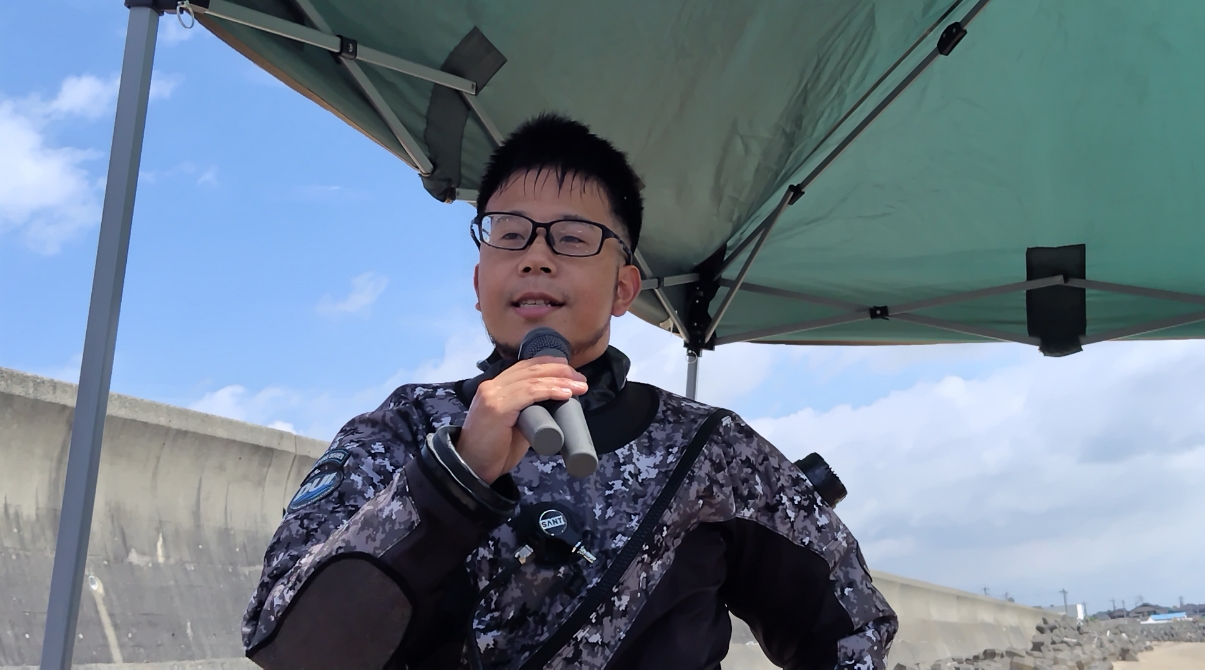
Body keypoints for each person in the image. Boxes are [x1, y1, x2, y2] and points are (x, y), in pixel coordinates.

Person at [241, 114, 897, 669]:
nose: (536, 256)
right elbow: (285, 643)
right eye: (510, 234)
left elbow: (853, 626)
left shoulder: (710, 448)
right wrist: (453, 479)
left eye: (573, 238)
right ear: (479, 282)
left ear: (623, 288)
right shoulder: (404, 428)